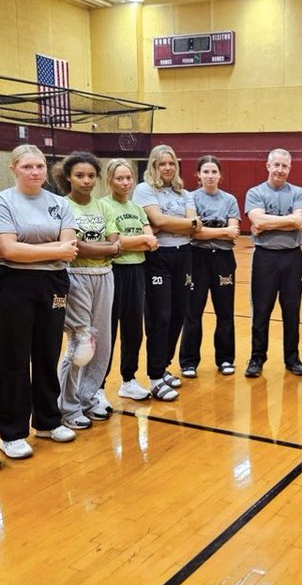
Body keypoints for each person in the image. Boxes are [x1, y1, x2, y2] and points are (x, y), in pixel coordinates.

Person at [0, 144, 78, 459]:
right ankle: (12, 433)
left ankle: (47, 421)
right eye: (27, 167)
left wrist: (34, 249)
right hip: (13, 283)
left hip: (53, 283)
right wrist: (54, 249)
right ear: (14, 169)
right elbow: (8, 250)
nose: (34, 172)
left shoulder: (59, 203)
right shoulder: (1, 201)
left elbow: (70, 247)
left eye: (39, 166)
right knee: (13, 358)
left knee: (48, 352)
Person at [54, 153, 118, 430]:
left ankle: (88, 398)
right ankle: (67, 406)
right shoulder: (62, 206)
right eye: (80, 175)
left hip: (105, 276)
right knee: (82, 344)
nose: (86, 180)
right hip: (75, 276)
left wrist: (104, 247)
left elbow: (116, 243)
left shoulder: (102, 206)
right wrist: (105, 247)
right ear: (68, 177)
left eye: (91, 175)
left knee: (101, 343)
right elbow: (75, 247)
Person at [133, 144, 196, 401]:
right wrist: (184, 223)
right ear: (153, 166)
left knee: (178, 315)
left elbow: (194, 226)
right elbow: (157, 222)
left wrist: (177, 224)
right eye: (162, 164)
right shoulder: (144, 189)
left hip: (184, 255)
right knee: (160, 317)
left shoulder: (184, 193)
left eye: (171, 163)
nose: (167, 168)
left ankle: (165, 365)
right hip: (158, 257)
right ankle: (155, 377)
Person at [244, 148, 302, 377]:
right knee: (261, 310)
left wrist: (267, 223)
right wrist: (289, 219)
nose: (280, 170)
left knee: (292, 310)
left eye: (284, 166)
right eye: (276, 165)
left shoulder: (299, 192)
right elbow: (257, 221)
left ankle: (292, 359)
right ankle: (256, 358)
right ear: (268, 166)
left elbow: (300, 222)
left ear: (289, 168)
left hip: (292, 258)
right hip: (265, 257)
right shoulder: (255, 192)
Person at [100, 159, 157, 405]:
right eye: (119, 178)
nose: (125, 183)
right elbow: (115, 242)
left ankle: (129, 380)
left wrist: (138, 240)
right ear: (109, 180)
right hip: (113, 271)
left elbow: (151, 240)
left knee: (133, 329)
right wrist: (140, 240)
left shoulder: (137, 208)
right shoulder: (103, 206)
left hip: (137, 270)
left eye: (128, 178)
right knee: (108, 330)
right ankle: (98, 387)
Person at [179, 155, 240, 377]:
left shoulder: (230, 200)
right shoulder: (190, 198)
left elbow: (234, 231)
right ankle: (188, 362)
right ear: (198, 174)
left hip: (223, 259)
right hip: (197, 258)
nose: (210, 176)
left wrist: (208, 231)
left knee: (225, 312)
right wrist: (222, 231)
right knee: (193, 312)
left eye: (214, 172)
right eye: (206, 171)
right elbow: (195, 232)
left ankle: (225, 359)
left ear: (220, 175)